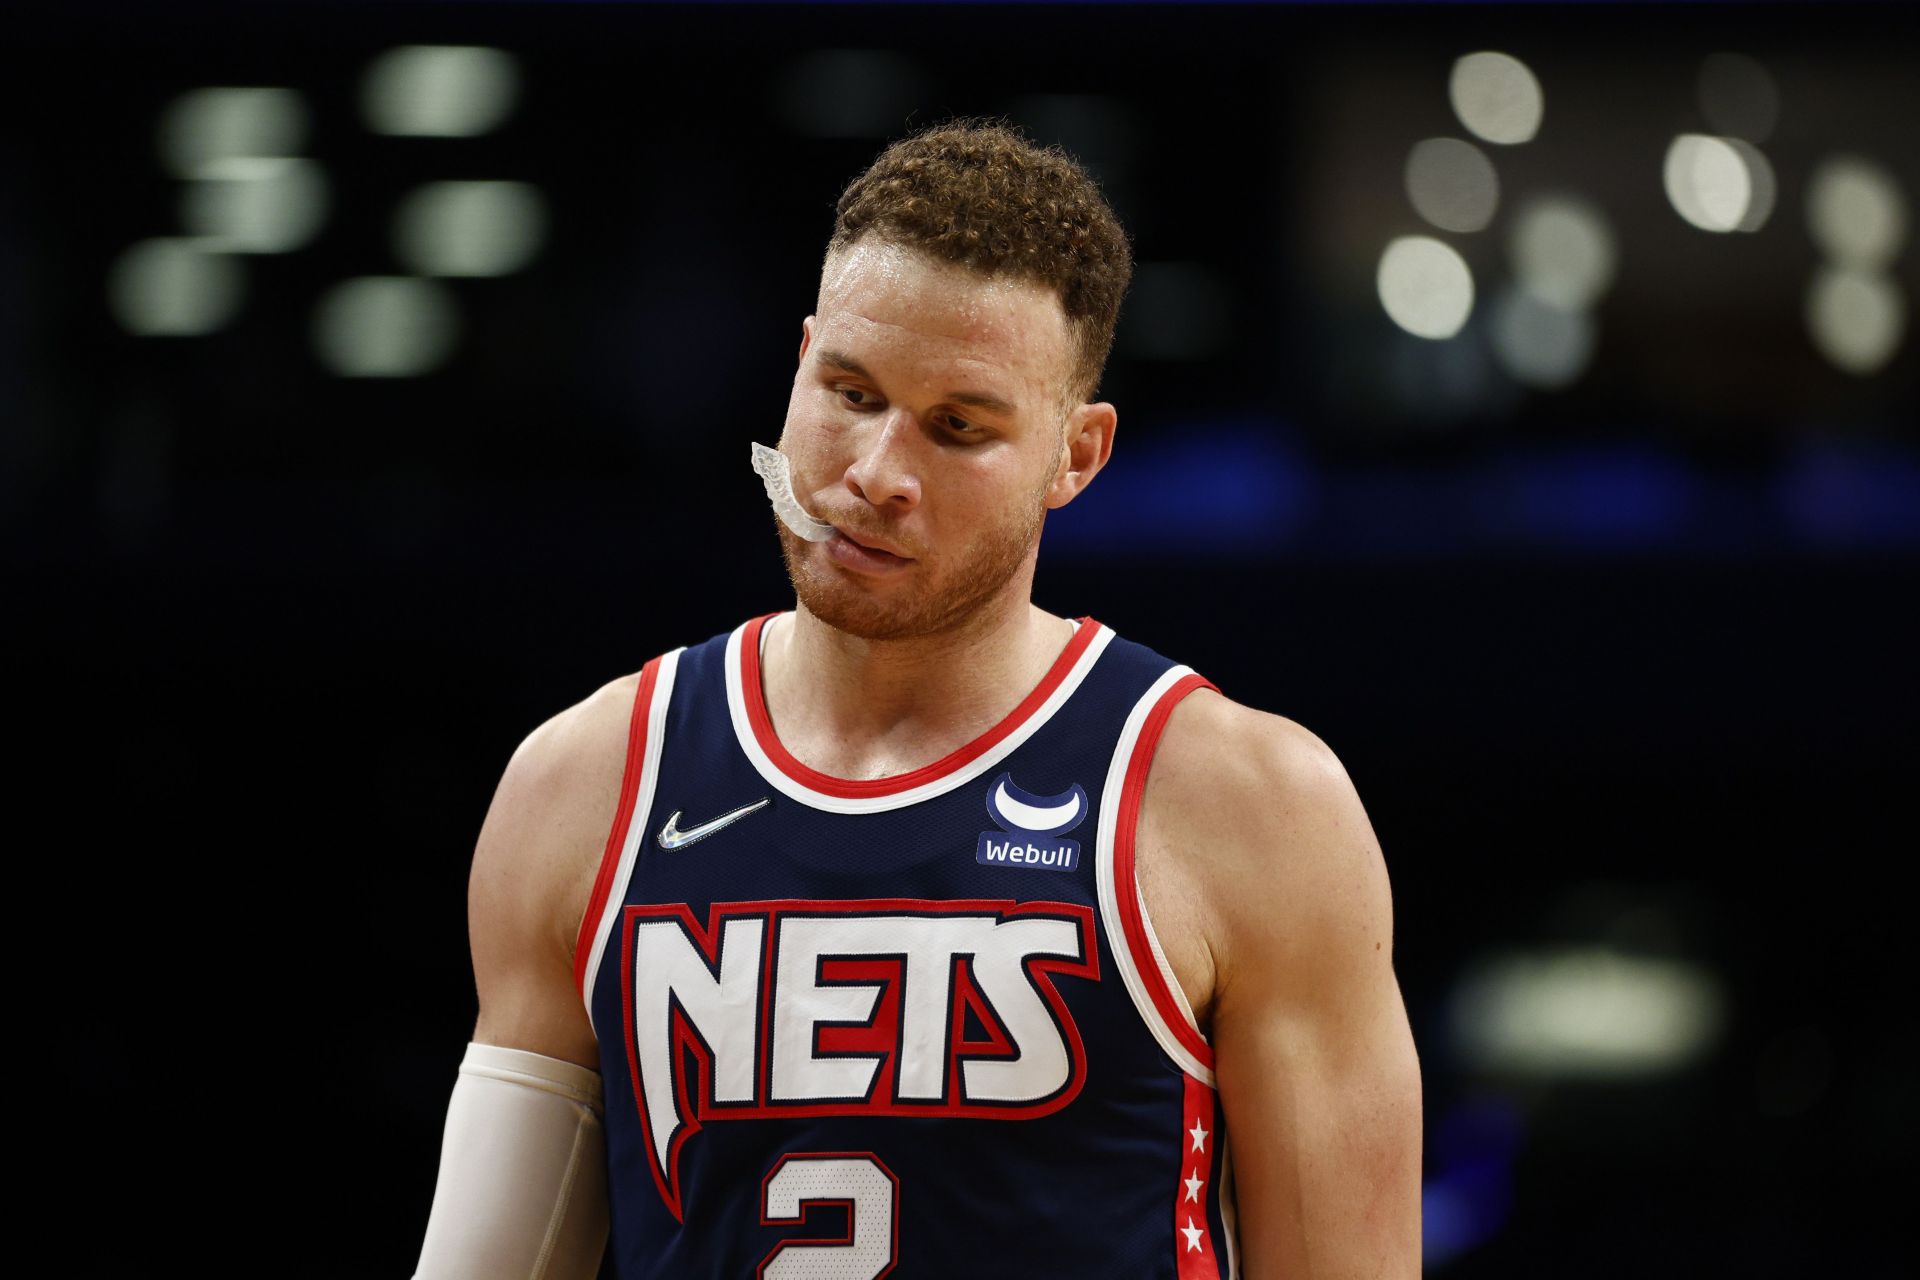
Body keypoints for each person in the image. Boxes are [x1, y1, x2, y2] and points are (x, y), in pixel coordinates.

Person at [414, 117, 1421, 1280]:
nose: (877, 472)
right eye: (848, 391)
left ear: (1075, 454)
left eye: (958, 427)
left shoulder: (1249, 804)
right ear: (799, 363)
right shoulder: (583, 785)